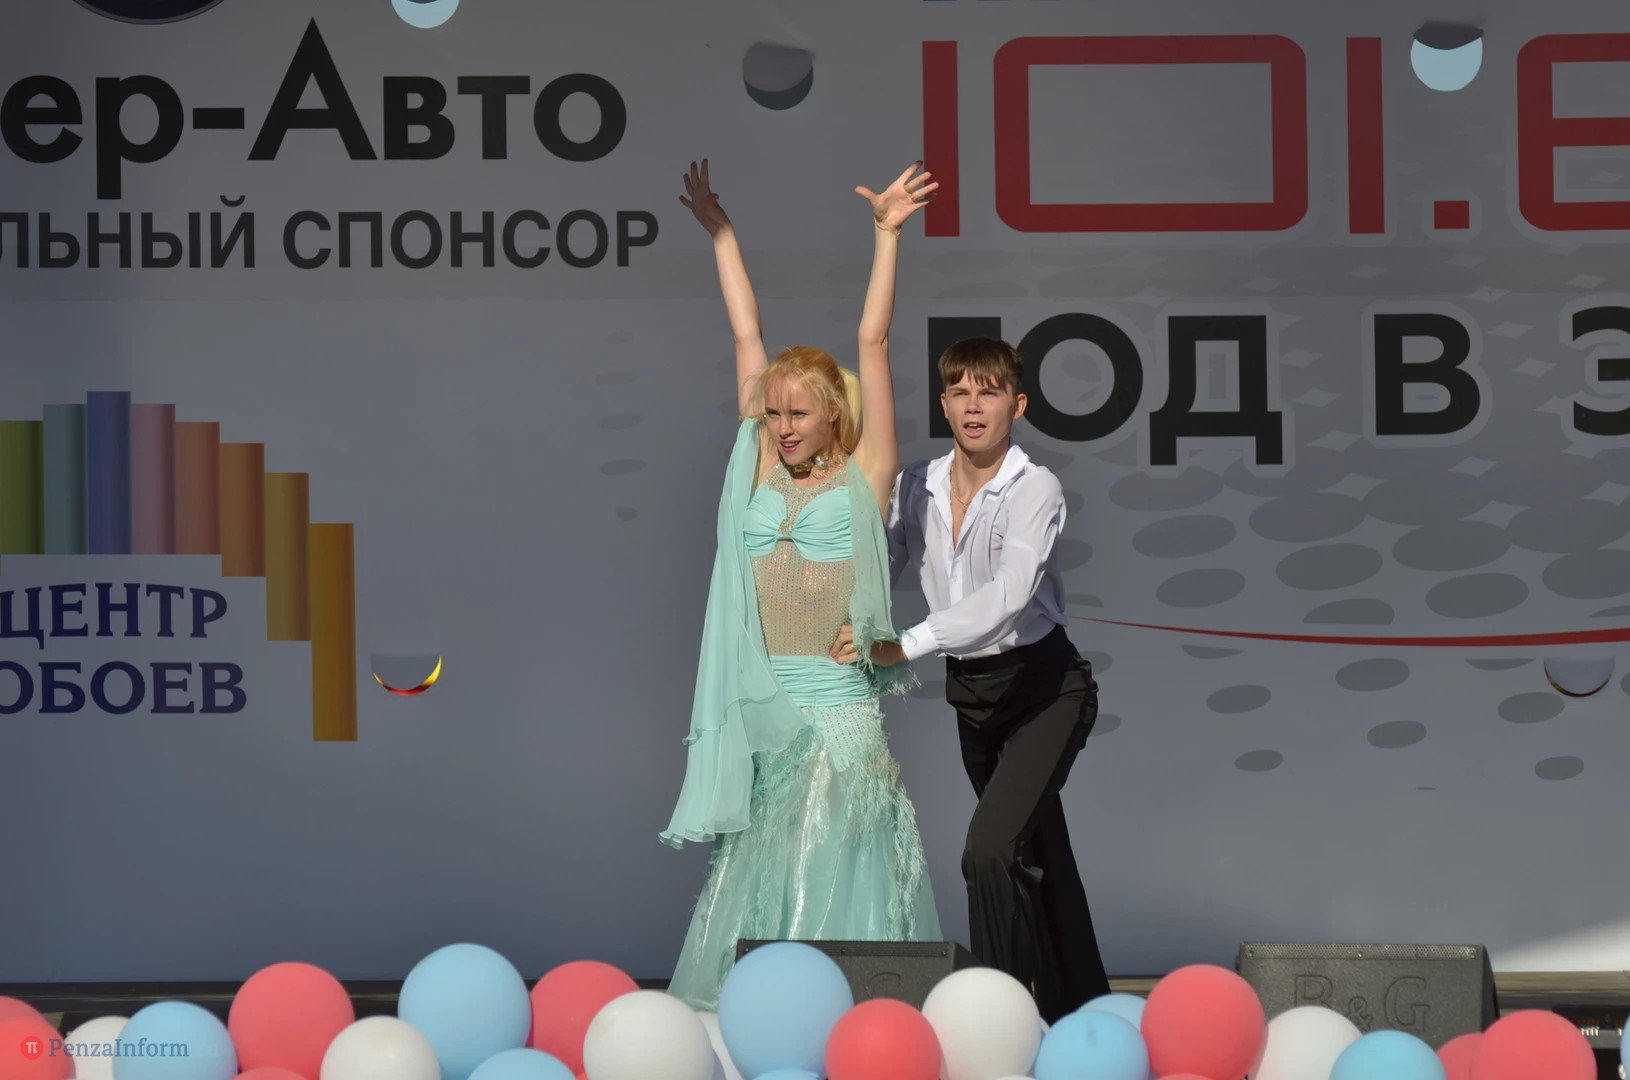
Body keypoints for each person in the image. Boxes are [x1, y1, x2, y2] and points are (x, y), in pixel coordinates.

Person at [661, 158, 943, 1010]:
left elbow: (873, 342)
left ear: (834, 416)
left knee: (839, 869)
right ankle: (766, 1020)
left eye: (798, 413)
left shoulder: (866, 476)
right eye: (773, 411)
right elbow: (746, 334)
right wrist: (723, 235)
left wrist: (886, 236)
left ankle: (860, 1020)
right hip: (765, 703)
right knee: (760, 880)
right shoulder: (755, 464)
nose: (781, 425)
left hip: (837, 705)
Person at [839, 337, 1111, 1022]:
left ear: (1017, 405)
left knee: (989, 853)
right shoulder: (916, 486)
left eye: (988, 393)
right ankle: (1084, 1012)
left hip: (1045, 691)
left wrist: (905, 644)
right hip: (974, 699)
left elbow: (1009, 597)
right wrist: (843, 620)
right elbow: (878, 567)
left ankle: (997, 1016)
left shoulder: (1034, 488)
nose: (973, 406)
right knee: (1039, 852)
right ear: (943, 404)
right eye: (960, 392)